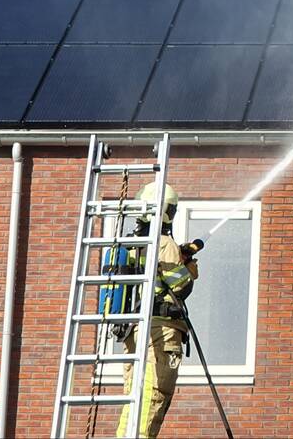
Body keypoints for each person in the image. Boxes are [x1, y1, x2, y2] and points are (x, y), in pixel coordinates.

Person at [116, 182, 198, 439]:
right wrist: (189, 268)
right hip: (160, 334)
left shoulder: (131, 243)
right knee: (153, 398)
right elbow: (181, 287)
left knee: (134, 403)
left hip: (134, 333)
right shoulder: (165, 243)